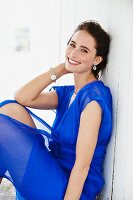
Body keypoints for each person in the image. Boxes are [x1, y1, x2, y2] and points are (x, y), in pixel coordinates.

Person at [0, 20, 112, 200]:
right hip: (53, 168)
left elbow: (82, 166)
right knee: (9, 109)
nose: (74, 53)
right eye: (72, 45)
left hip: (69, 186)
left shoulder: (93, 100)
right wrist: (61, 69)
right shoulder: (68, 93)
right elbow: (22, 97)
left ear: (97, 59)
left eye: (84, 50)